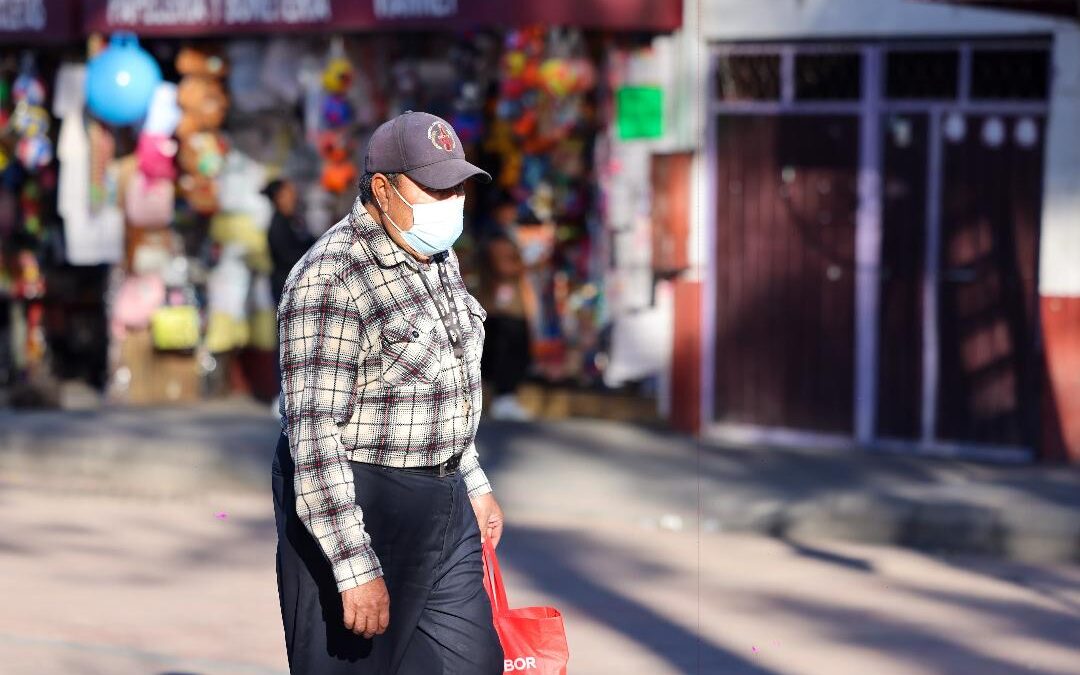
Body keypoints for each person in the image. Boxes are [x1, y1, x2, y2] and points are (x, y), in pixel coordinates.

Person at [272, 111, 505, 674]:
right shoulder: (329, 278)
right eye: (436, 186)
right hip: (360, 500)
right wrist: (354, 569)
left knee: (474, 665)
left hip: (445, 502)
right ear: (383, 188)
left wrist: (473, 481)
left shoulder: (437, 257)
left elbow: (447, 379)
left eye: (457, 186)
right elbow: (314, 437)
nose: (452, 200)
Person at [478, 228, 536, 421]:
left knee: (514, 357)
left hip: (512, 312)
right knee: (502, 358)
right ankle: (502, 400)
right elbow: (504, 269)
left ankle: (504, 399)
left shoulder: (501, 242)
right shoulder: (496, 244)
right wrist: (530, 263)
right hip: (501, 313)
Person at [265, 178, 316, 306]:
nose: (294, 197)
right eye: (289, 193)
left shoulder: (295, 220)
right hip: (288, 287)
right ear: (279, 198)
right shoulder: (277, 226)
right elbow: (288, 256)